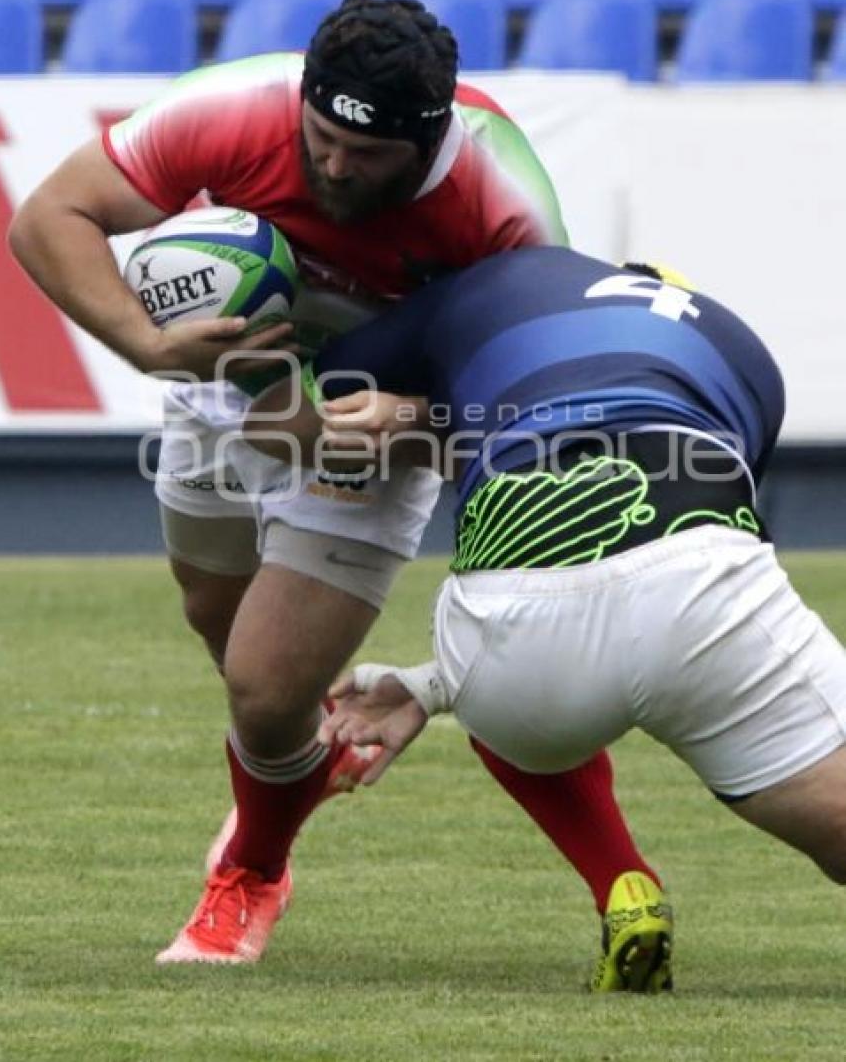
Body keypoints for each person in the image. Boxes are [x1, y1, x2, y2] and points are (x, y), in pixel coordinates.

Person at [9, 0, 665, 985]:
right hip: (229, 387)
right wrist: (148, 344)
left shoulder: (503, 202)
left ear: (428, 142)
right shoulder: (230, 109)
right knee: (215, 621)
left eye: (368, 158)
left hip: (375, 420)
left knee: (261, 691)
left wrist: (408, 422)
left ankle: (252, 869)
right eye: (319, 139)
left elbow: (534, 384)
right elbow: (49, 216)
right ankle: (296, 761)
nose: (334, 166)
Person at [245, 247, 846, 986]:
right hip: (702, 593)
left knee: (516, 696)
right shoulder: (745, 350)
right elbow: (669, 529)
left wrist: (445, 683)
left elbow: (303, 407)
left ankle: (621, 881)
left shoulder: (498, 277)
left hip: (509, 649)